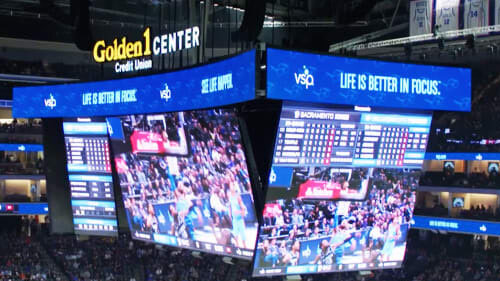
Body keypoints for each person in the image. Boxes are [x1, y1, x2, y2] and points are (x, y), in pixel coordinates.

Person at [228, 183, 248, 248]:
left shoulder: (238, 197)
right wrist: (230, 214)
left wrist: (239, 212)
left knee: (243, 234)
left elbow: (244, 209)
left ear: (234, 188)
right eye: (230, 187)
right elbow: (230, 206)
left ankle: (245, 247)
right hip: (234, 219)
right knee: (235, 234)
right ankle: (237, 246)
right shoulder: (230, 197)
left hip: (240, 219)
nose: (231, 188)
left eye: (232, 187)